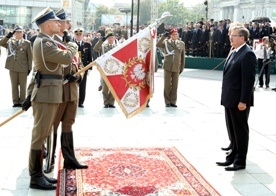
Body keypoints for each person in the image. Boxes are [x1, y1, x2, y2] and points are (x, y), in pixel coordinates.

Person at [22, 7, 78, 190]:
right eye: (55, 22)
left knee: (42, 134)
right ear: (47, 25)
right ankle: (35, 176)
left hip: (50, 93)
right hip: (46, 94)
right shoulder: (44, 43)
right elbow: (66, 58)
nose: (58, 24)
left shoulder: (47, 41)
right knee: (39, 136)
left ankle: (39, 174)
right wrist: (72, 44)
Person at [48, 8, 87, 173]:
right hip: (58, 90)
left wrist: (78, 77)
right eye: (65, 21)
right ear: (58, 23)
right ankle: (49, 158)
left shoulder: (71, 41)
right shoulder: (52, 41)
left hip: (71, 90)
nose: (68, 24)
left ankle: (69, 159)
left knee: (68, 124)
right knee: (52, 125)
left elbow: (80, 65)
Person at [216, 25, 256, 171]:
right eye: (230, 35)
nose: (230, 37)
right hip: (229, 98)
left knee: (240, 131)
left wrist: (243, 101)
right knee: (232, 131)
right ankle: (231, 157)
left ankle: (240, 162)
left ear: (242, 37)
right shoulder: (234, 51)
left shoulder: (247, 54)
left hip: (239, 101)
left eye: (233, 35)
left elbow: (248, 81)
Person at [0, 25, 32, 107]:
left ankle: (22, 101)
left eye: (20, 32)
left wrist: (29, 68)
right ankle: (15, 101)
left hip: (23, 67)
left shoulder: (27, 43)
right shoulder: (10, 42)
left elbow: (30, 57)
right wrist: (8, 35)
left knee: (23, 85)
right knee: (14, 85)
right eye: (17, 32)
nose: (19, 34)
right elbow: (1, 43)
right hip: (13, 67)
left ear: (23, 33)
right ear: (14, 33)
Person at [156, 28, 185, 107]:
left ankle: (173, 101)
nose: (175, 36)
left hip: (176, 66)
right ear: (170, 35)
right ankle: (167, 101)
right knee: (167, 85)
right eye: (173, 34)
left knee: (175, 85)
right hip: (168, 66)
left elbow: (182, 57)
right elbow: (158, 44)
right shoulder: (166, 42)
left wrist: (182, 67)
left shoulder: (181, 43)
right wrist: (163, 36)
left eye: (176, 34)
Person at [93, 28, 117, 108]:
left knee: (114, 87)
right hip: (105, 69)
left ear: (114, 38)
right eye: (109, 38)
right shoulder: (103, 46)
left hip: (114, 69)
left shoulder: (117, 46)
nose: (111, 39)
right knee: (105, 87)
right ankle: (106, 102)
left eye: (112, 37)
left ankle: (111, 102)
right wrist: (101, 41)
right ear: (107, 38)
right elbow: (95, 48)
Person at [74, 28, 93, 108]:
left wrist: (89, 68)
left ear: (82, 36)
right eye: (77, 35)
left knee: (83, 85)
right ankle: (74, 101)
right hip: (74, 68)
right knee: (74, 85)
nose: (78, 36)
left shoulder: (87, 45)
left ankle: (81, 102)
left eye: (80, 35)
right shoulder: (72, 44)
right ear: (75, 36)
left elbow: (89, 57)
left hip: (83, 68)